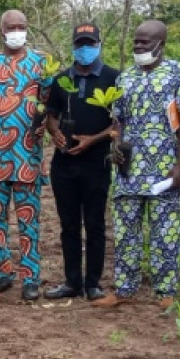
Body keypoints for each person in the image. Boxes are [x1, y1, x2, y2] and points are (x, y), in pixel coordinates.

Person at [95, 20, 180, 309]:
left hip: (164, 167)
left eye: (145, 42)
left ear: (161, 44)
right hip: (129, 169)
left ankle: (166, 292)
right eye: (136, 42)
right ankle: (124, 289)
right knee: (126, 231)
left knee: (165, 231)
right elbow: (118, 122)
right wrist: (116, 147)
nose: (139, 47)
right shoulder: (125, 79)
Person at [44, 23, 120, 301]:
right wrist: (55, 134)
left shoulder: (114, 78)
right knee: (68, 224)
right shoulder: (63, 80)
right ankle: (71, 281)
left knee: (95, 223)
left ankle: (93, 283)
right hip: (64, 163)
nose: (84, 49)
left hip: (96, 161)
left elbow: (119, 123)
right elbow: (51, 115)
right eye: (80, 44)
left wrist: (94, 139)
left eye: (90, 43)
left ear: (99, 44)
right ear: (73, 46)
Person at [0, 9, 49, 301]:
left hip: (28, 153)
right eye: (12, 26)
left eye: (22, 26)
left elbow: (48, 104)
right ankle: (4, 271)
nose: (17, 31)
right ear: (1, 30)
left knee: (28, 219)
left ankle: (30, 277)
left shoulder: (42, 63)